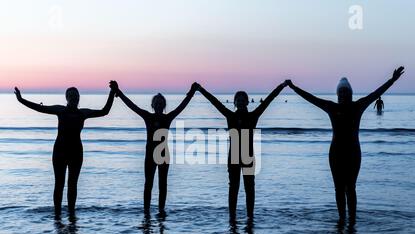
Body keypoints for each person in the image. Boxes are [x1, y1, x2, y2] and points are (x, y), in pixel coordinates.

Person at [286, 66, 404, 222]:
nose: (343, 94)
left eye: (345, 91)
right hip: (335, 153)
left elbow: (376, 93)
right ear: (337, 94)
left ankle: (352, 220)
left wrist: (392, 80)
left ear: (350, 93)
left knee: (351, 188)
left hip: (353, 153)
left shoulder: (358, 106)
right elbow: (311, 98)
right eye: (340, 92)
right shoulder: (331, 107)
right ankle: (342, 219)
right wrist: (294, 88)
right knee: (338, 189)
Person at [14, 83, 116, 214]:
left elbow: (104, 111)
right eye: (71, 96)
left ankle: (72, 215)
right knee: (59, 184)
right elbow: (40, 108)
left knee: (73, 185)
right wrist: (21, 99)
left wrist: (112, 93)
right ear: (66, 98)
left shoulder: (82, 113)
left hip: (76, 152)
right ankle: (57, 215)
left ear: (79, 98)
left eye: (76, 96)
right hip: (60, 152)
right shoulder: (60, 110)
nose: (74, 98)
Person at [196, 82, 288, 216]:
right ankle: (232, 217)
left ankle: (250, 216)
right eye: (238, 100)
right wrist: (200, 89)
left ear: (247, 102)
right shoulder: (230, 116)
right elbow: (214, 102)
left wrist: (282, 86)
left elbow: (269, 100)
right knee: (233, 188)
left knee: (249, 188)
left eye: (243, 100)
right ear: (234, 102)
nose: (240, 102)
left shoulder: (253, 115)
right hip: (233, 156)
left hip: (248, 155)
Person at [110, 81, 198, 213]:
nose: (158, 105)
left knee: (163, 185)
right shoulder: (147, 116)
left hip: (163, 155)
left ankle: (161, 211)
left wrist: (191, 93)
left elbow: (182, 107)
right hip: (150, 155)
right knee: (148, 184)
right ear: (152, 105)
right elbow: (132, 106)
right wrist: (119, 92)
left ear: (163, 106)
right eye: (156, 103)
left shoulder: (168, 117)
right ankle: (146, 212)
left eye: (160, 103)